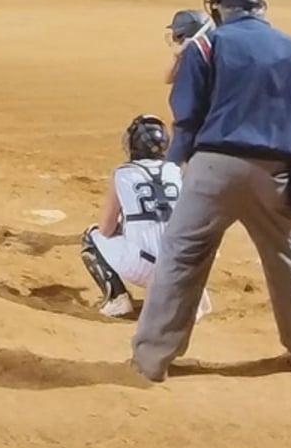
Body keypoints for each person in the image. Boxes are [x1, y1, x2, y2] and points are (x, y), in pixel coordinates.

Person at [131, 0, 291, 383]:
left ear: (219, 9)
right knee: (284, 255)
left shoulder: (207, 45)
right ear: (261, 7)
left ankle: (153, 359)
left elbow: (187, 114)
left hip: (213, 167)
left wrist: (176, 161)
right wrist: (279, 159)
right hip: (273, 171)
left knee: (182, 254)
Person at [82, 114, 213, 320]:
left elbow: (106, 229)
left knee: (92, 236)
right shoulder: (177, 171)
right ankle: (188, 297)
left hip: (142, 269)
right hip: (182, 268)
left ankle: (117, 299)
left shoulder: (123, 174)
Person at [162, 8, 212, 85]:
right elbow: (168, 79)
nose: (176, 41)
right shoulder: (187, 52)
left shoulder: (207, 53)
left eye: (179, 36)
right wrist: (176, 57)